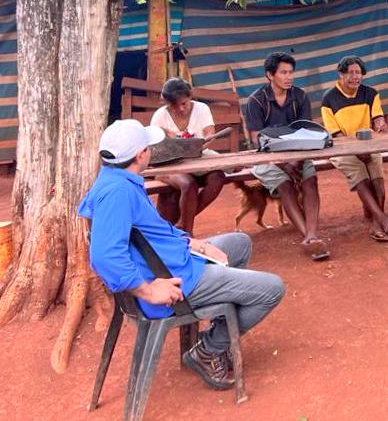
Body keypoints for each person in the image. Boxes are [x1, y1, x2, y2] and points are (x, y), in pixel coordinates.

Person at [78, 119, 285, 391]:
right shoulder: (118, 193)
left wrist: (195, 244)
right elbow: (104, 256)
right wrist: (149, 291)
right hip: (176, 278)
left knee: (239, 243)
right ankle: (208, 350)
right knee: (272, 289)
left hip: (172, 260)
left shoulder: (115, 180)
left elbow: (155, 233)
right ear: (141, 155)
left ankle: (219, 331)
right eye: (148, 147)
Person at [244, 52, 329, 261]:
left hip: (298, 153)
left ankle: (312, 235)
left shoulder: (299, 96)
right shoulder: (256, 101)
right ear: (270, 75)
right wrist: (284, 164)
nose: (289, 77)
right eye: (283, 72)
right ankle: (307, 236)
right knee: (285, 185)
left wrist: (296, 162)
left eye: (291, 72)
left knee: (310, 181)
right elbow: (258, 140)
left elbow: (306, 133)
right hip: (267, 156)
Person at [321, 55, 388, 242]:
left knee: (377, 174)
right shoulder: (329, 99)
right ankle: (381, 219)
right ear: (341, 74)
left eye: (358, 73)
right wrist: (356, 150)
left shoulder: (370, 94)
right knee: (359, 172)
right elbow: (335, 134)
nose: (355, 76)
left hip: (367, 144)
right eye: (350, 72)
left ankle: (375, 223)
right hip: (341, 148)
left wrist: (380, 124)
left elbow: (377, 118)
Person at [150, 78, 226, 234]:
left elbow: (209, 134)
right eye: (174, 106)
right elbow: (154, 147)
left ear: (190, 96)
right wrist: (165, 135)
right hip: (168, 164)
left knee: (218, 177)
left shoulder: (202, 109)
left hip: (197, 159)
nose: (180, 109)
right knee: (187, 184)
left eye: (184, 103)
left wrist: (201, 143)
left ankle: (182, 223)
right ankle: (187, 230)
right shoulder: (160, 116)